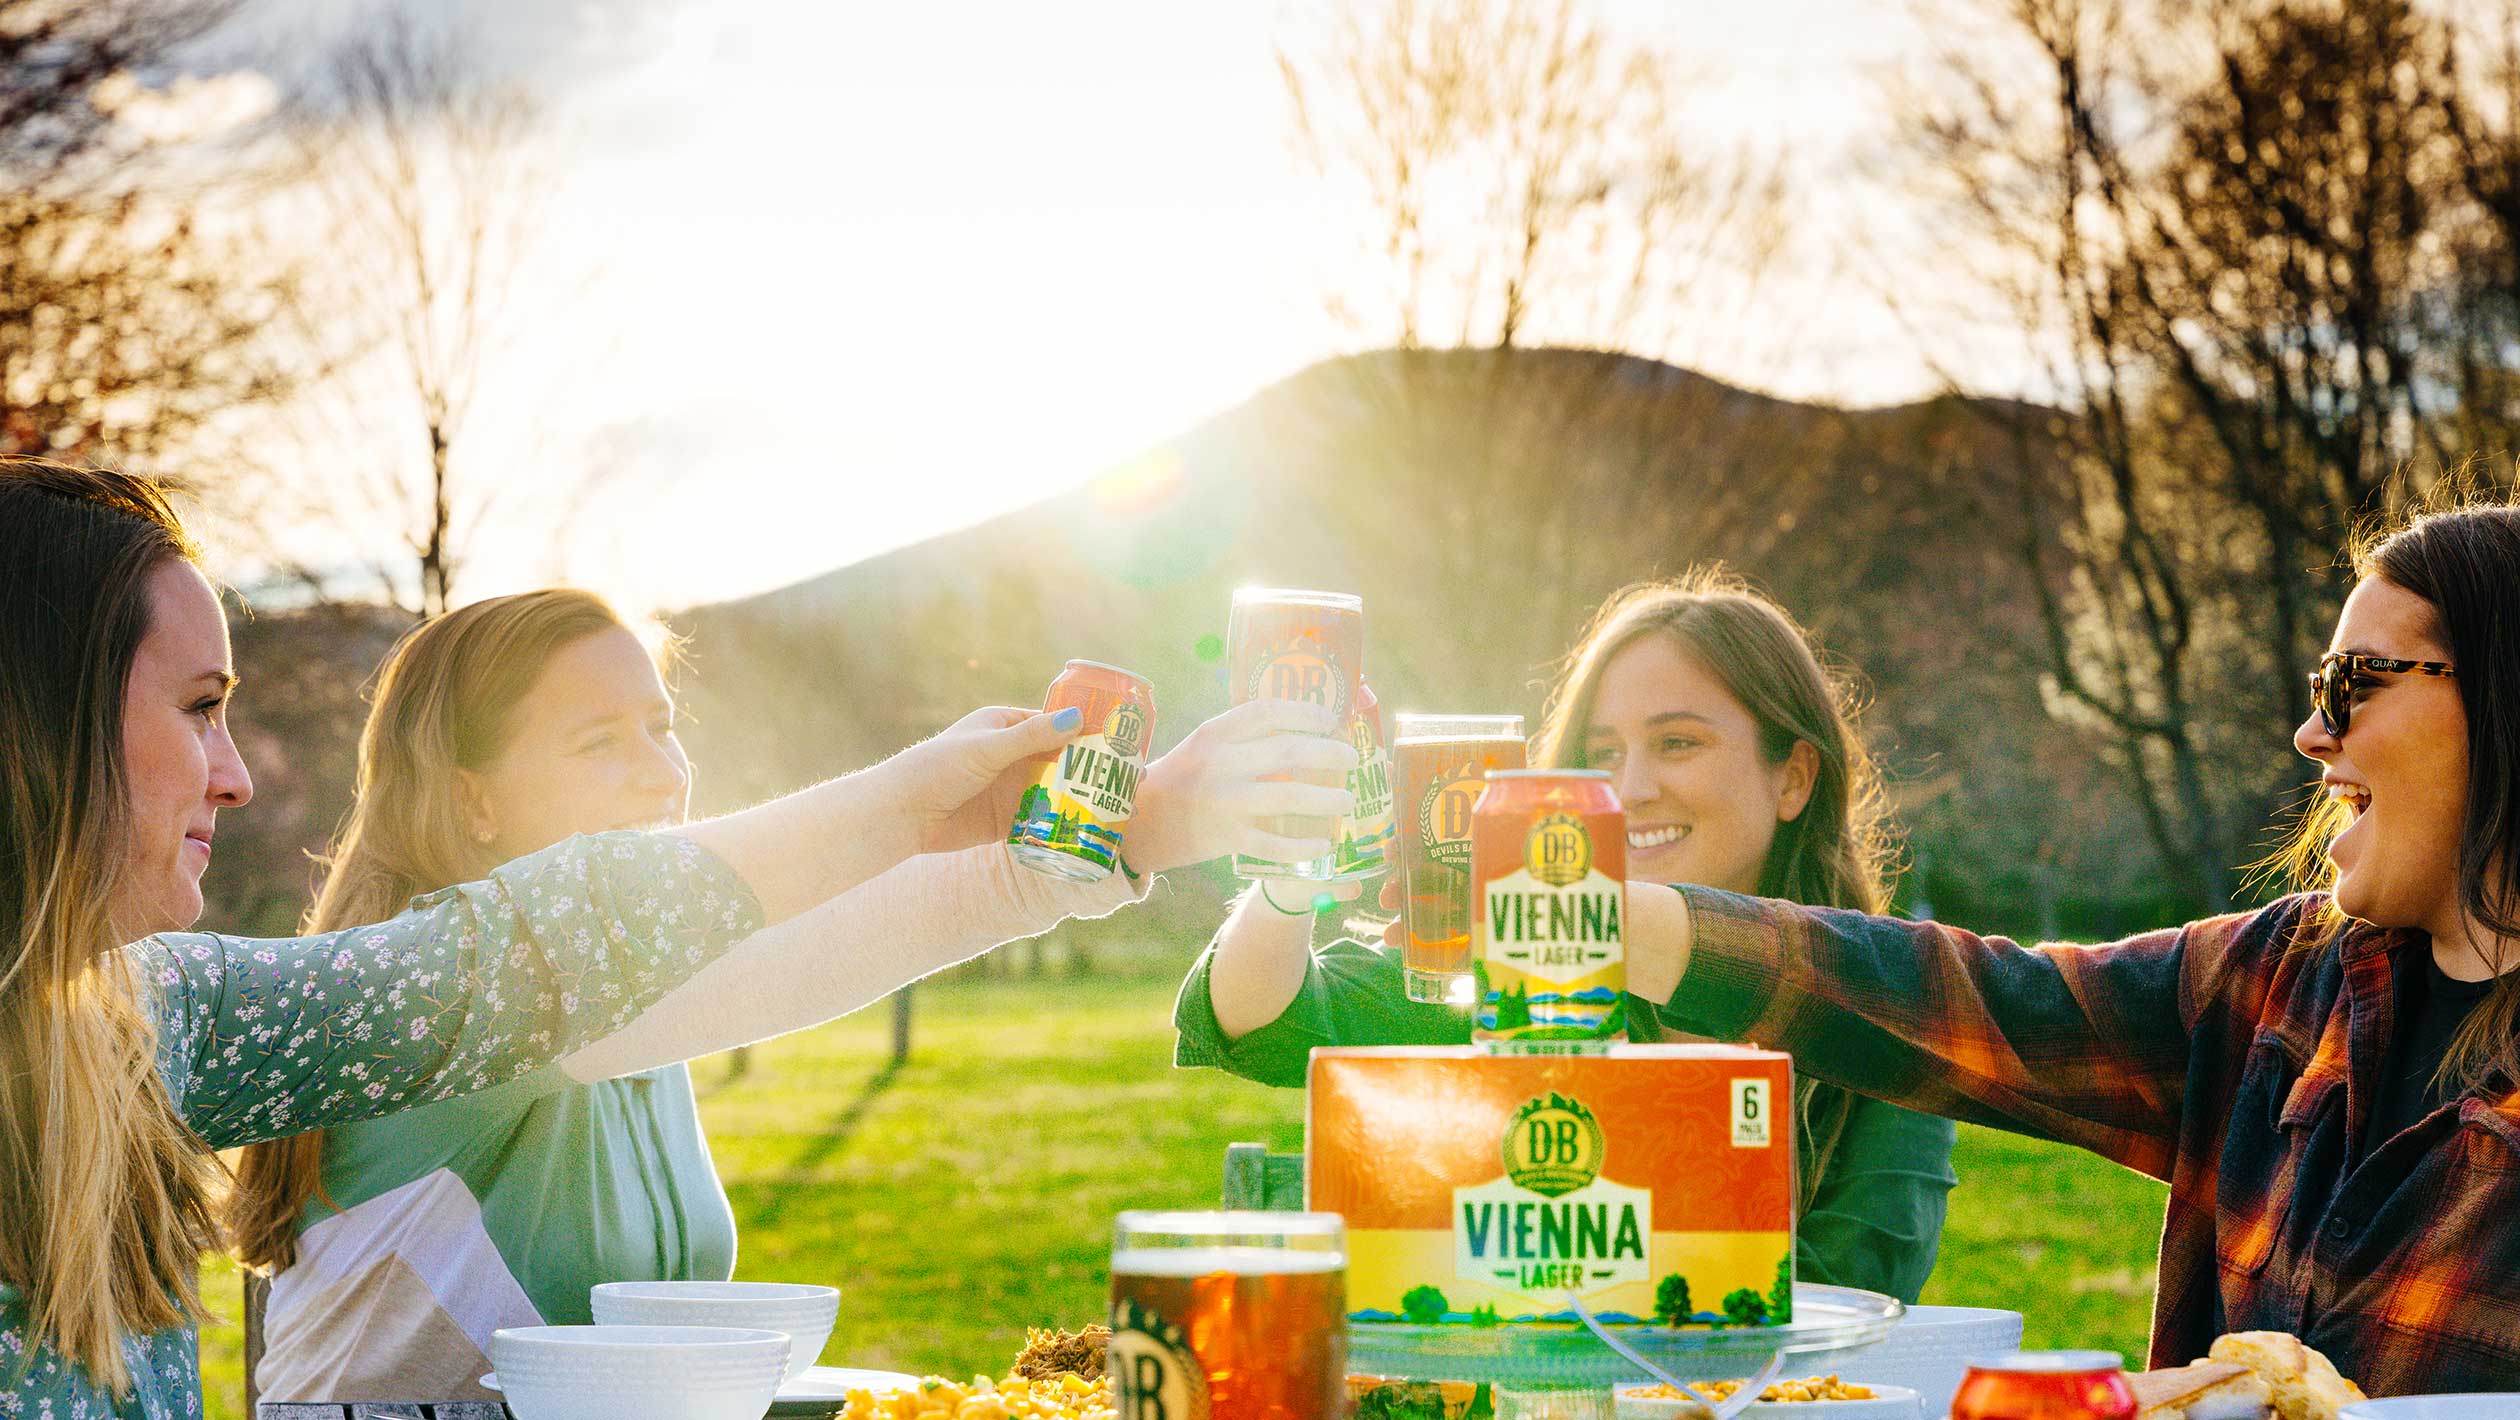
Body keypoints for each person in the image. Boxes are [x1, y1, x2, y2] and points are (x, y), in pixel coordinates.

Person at [0, 458, 1345, 1420]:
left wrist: (1110, 830)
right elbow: (583, 942)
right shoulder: (491, 1000)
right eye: (194, 709)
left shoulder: (146, 1019)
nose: (233, 776)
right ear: (43, 733)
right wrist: (1072, 824)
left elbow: (670, 943)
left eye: (665, 726)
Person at [224, 589, 1353, 1401]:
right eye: (598, 742)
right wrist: (1139, 819)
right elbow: (829, 942)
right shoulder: (454, 997)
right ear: (471, 801)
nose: (662, 776)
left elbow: (818, 928)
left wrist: (1114, 828)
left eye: (662, 728)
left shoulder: (631, 1001)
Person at [1624, 499, 2520, 1395]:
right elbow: (1983, 1003)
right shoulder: (2276, 981)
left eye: (2353, 683)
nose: (2312, 732)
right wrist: (1631, 925)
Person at [1172, 570, 1959, 1303]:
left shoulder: (1881, 1001)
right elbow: (1257, 1018)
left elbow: (1852, 1294)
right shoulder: (1520, 971)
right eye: (1600, 753)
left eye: (1677, 742)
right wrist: (1290, 882)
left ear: (1793, 777)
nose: (1629, 789)